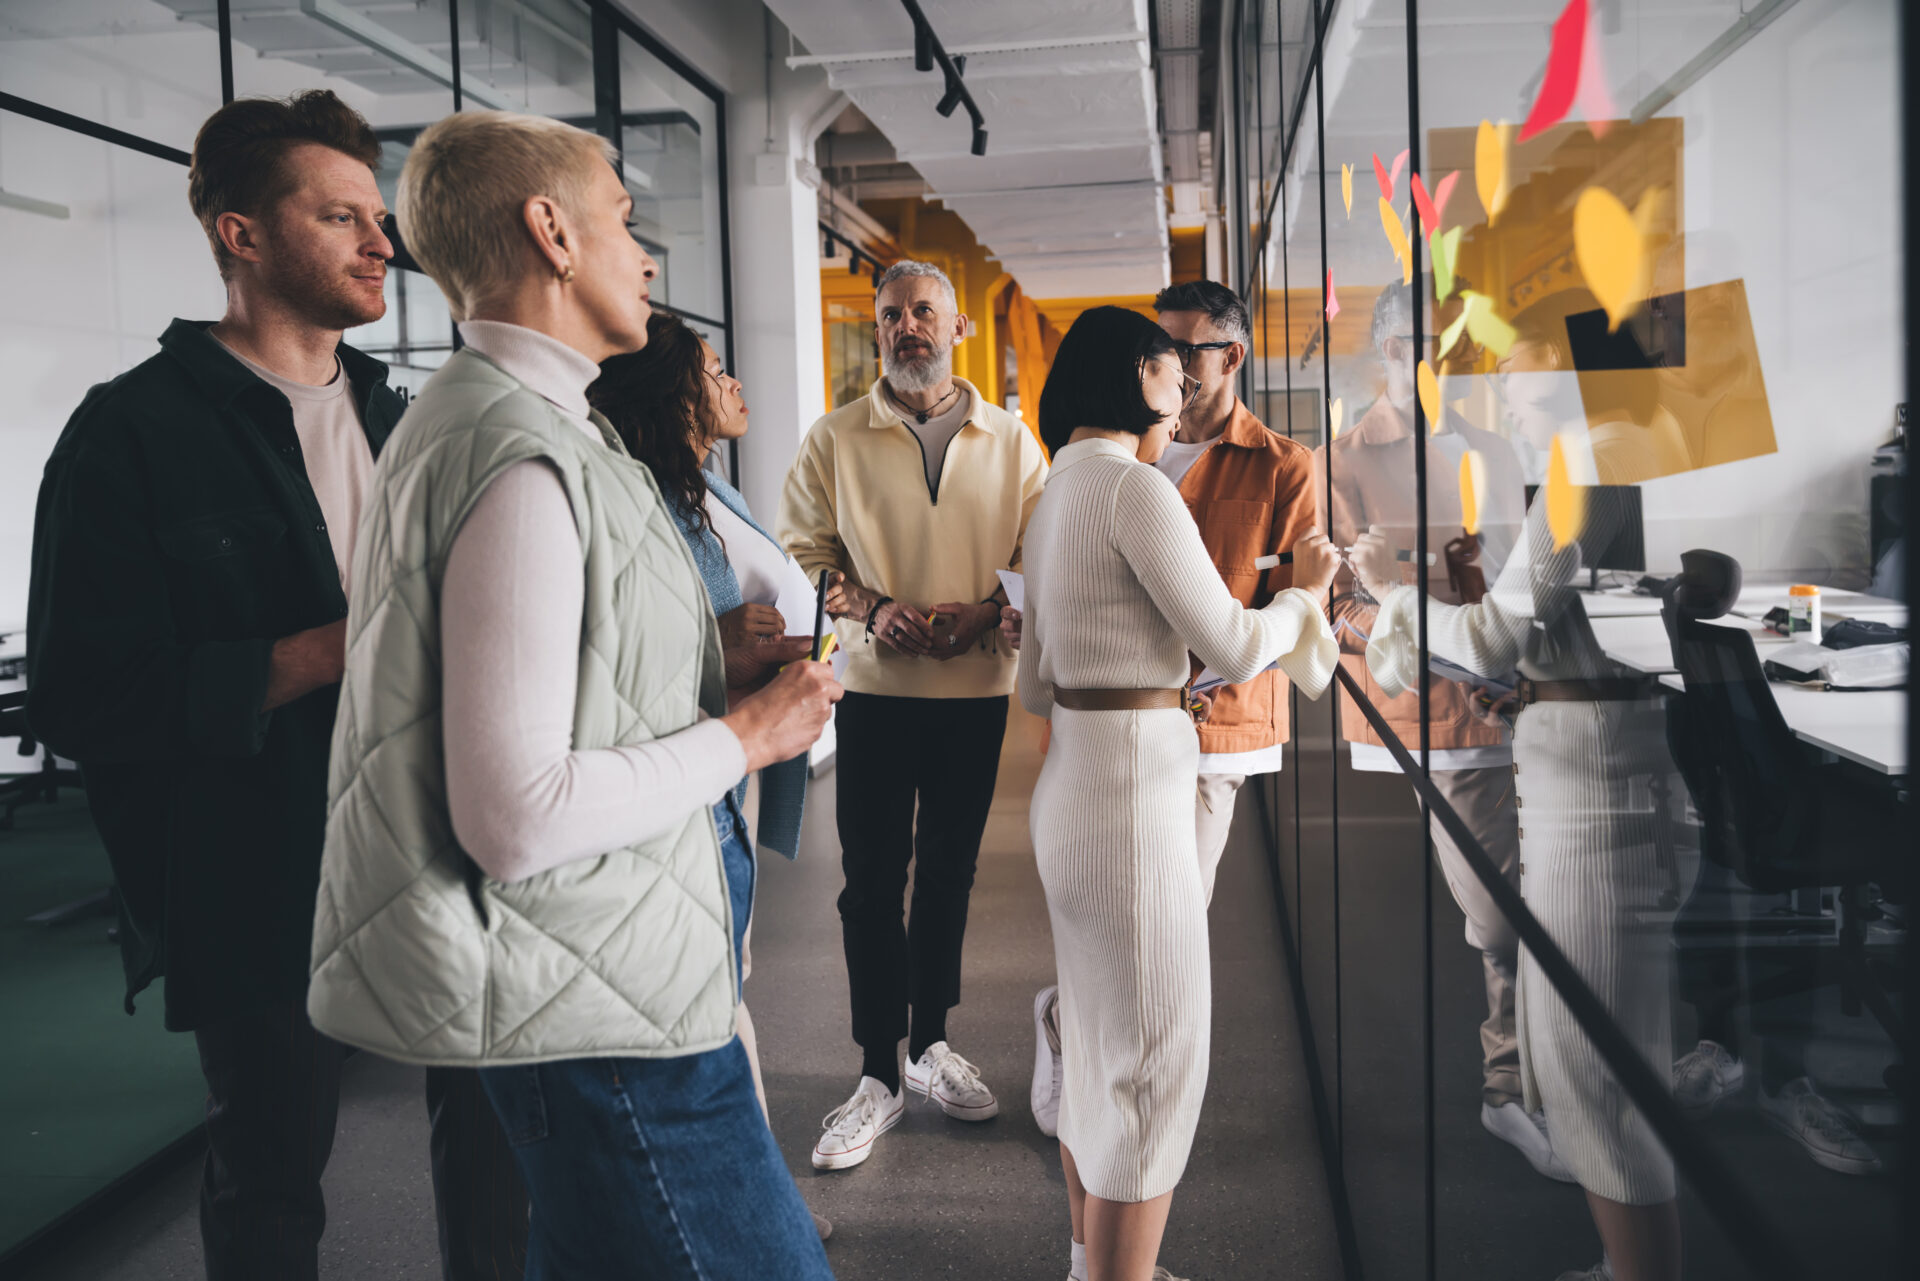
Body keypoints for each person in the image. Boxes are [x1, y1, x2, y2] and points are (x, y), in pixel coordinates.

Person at [305, 109, 839, 1279]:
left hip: (606, 974)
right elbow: (519, 815)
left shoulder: (537, 424)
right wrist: (746, 734)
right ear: (550, 230)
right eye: (624, 221)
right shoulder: (520, 449)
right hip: (601, 1004)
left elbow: (582, 685)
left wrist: (720, 676)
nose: (644, 257)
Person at [25, 91, 525, 1281]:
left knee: (499, 1143)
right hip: (261, 875)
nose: (380, 244)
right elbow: (83, 697)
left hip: (441, 845)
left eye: (380, 217)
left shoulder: (410, 419)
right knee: (269, 1176)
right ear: (239, 235)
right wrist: (327, 648)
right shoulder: (129, 435)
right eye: (342, 215)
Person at [1017, 306, 1339, 1281]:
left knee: (1099, 1052)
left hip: (1072, 788)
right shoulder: (1133, 487)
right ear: (1135, 380)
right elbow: (1238, 644)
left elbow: (1033, 683)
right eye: (1171, 371)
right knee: (1154, 1064)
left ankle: (1094, 1262)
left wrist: (1131, 668)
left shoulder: (1055, 490)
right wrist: (1305, 594)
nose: (1185, 387)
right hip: (1129, 802)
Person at [1351, 465, 1683, 1281]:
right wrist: (1532, 687)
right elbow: (1532, 636)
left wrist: (1388, 590)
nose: (1508, 373)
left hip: (1593, 784)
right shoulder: (1575, 474)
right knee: (1587, 1055)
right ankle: (1627, 1265)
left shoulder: (1586, 470)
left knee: (1595, 1066)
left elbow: (1490, 634)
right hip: (1574, 757)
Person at [778, 259, 1048, 1171]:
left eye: (923, 311)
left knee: (947, 876)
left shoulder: (1015, 442)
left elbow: (1034, 556)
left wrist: (985, 611)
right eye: (891, 314)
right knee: (868, 880)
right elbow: (804, 552)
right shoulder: (835, 437)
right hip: (877, 694)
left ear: (957, 326)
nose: (906, 327)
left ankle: (931, 1044)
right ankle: (875, 1075)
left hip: (977, 692)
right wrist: (867, 604)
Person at [587, 310, 834, 1239]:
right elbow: (642, 649)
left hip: (721, 772)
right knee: (710, 1008)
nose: (735, 384)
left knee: (727, 984)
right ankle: (753, 1218)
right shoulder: (639, 499)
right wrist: (719, 652)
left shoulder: (705, 486)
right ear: (671, 391)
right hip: (682, 772)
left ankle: (755, 1203)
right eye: (716, 368)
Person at [1315, 280, 1564, 1178]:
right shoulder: (1342, 458)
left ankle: (1524, 1080)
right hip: (1439, 709)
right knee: (1504, 917)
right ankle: (1510, 1088)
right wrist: (1433, 605)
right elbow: (1347, 600)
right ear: (1379, 352)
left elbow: (1511, 576)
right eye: (1404, 348)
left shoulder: (1498, 446)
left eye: (1438, 350)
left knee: (1531, 899)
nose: (1422, 366)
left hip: (1518, 692)